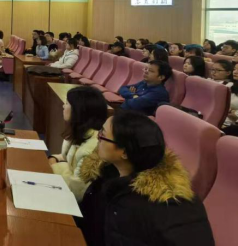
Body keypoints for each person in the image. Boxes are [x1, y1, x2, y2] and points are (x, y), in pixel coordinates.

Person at [78, 111, 215, 246]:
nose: (98, 138)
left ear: (124, 152)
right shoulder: (110, 172)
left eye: (103, 135)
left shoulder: (165, 205)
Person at [48, 87, 108, 201]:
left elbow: (77, 190)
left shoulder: (92, 148)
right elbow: (68, 158)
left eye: (67, 103)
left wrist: (54, 167)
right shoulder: (81, 133)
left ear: (78, 110)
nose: (63, 106)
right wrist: (53, 158)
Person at [222, 65, 238, 136]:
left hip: (232, 125)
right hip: (223, 120)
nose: (235, 72)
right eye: (234, 69)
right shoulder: (230, 85)